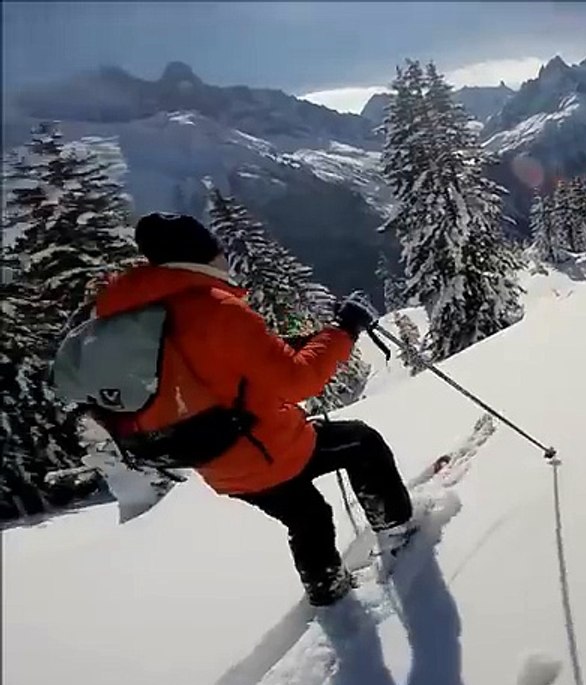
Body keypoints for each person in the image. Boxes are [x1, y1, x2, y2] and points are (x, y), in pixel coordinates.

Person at [90, 213, 414, 606]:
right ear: (203, 256)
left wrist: (288, 344)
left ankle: (329, 593)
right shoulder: (216, 309)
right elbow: (300, 382)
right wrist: (344, 329)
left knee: (306, 513)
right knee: (363, 444)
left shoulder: (134, 317)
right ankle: (397, 535)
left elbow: (206, 367)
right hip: (265, 449)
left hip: (213, 460)